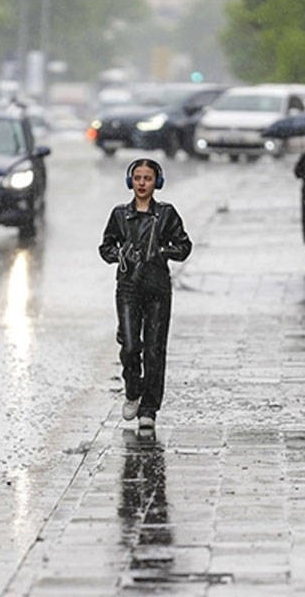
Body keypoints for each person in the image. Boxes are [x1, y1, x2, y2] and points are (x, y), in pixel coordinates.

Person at [99, 158, 193, 430]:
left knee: (154, 349)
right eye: (137, 178)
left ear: (157, 182)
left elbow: (184, 246)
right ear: (131, 181)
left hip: (157, 288)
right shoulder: (119, 214)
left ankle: (149, 408)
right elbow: (105, 247)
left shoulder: (167, 214)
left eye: (147, 178)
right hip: (128, 286)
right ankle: (132, 389)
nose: (142, 183)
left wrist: (162, 252)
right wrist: (120, 254)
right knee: (130, 345)